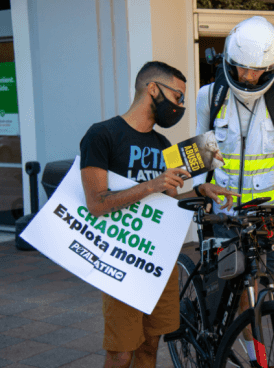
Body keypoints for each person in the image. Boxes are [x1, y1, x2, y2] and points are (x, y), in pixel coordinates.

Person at [80, 61, 239, 368]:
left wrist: (199, 192)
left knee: (151, 345)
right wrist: (149, 185)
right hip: (122, 260)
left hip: (158, 260)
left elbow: (167, 201)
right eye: (177, 97)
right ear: (152, 88)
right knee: (121, 352)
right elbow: (96, 203)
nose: (179, 106)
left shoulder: (163, 145)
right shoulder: (102, 135)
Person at [194, 16, 274, 368]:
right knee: (245, 299)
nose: (248, 77)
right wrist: (198, 184)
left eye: (257, 70)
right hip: (228, 215)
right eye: (242, 69)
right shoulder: (210, 95)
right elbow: (200, 152)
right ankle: (256, 361)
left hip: (272, 213)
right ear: (230, 62)